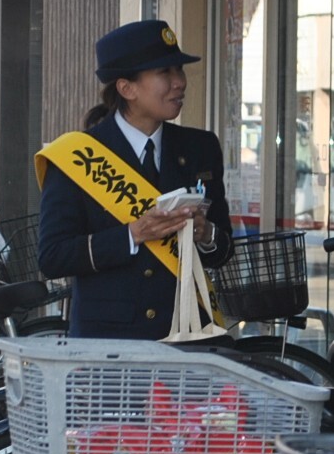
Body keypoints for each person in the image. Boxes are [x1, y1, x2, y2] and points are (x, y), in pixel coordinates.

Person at [36, 19, 233, 339]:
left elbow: (224, 248)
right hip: (110, 343)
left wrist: (205, 232)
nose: (179, 82)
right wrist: (133, 234)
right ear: (127, 88)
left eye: (179, 71)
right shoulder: (77, 156)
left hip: (188, 336)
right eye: (165, 73)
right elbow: (53, 256)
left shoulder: (200, 148)